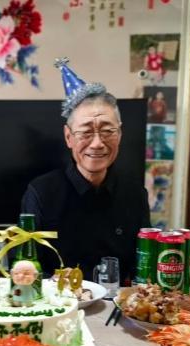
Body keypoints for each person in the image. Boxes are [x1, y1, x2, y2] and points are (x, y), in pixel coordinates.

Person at [21, 59, 151, 283]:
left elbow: (141, 267)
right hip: (59, 300)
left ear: (120, 135)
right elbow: (26, 267)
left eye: (107, 131)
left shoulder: (135, 193)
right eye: (86, 132)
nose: (97, 143)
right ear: (68, 137)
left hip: (115, 301)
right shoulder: (41, 193)